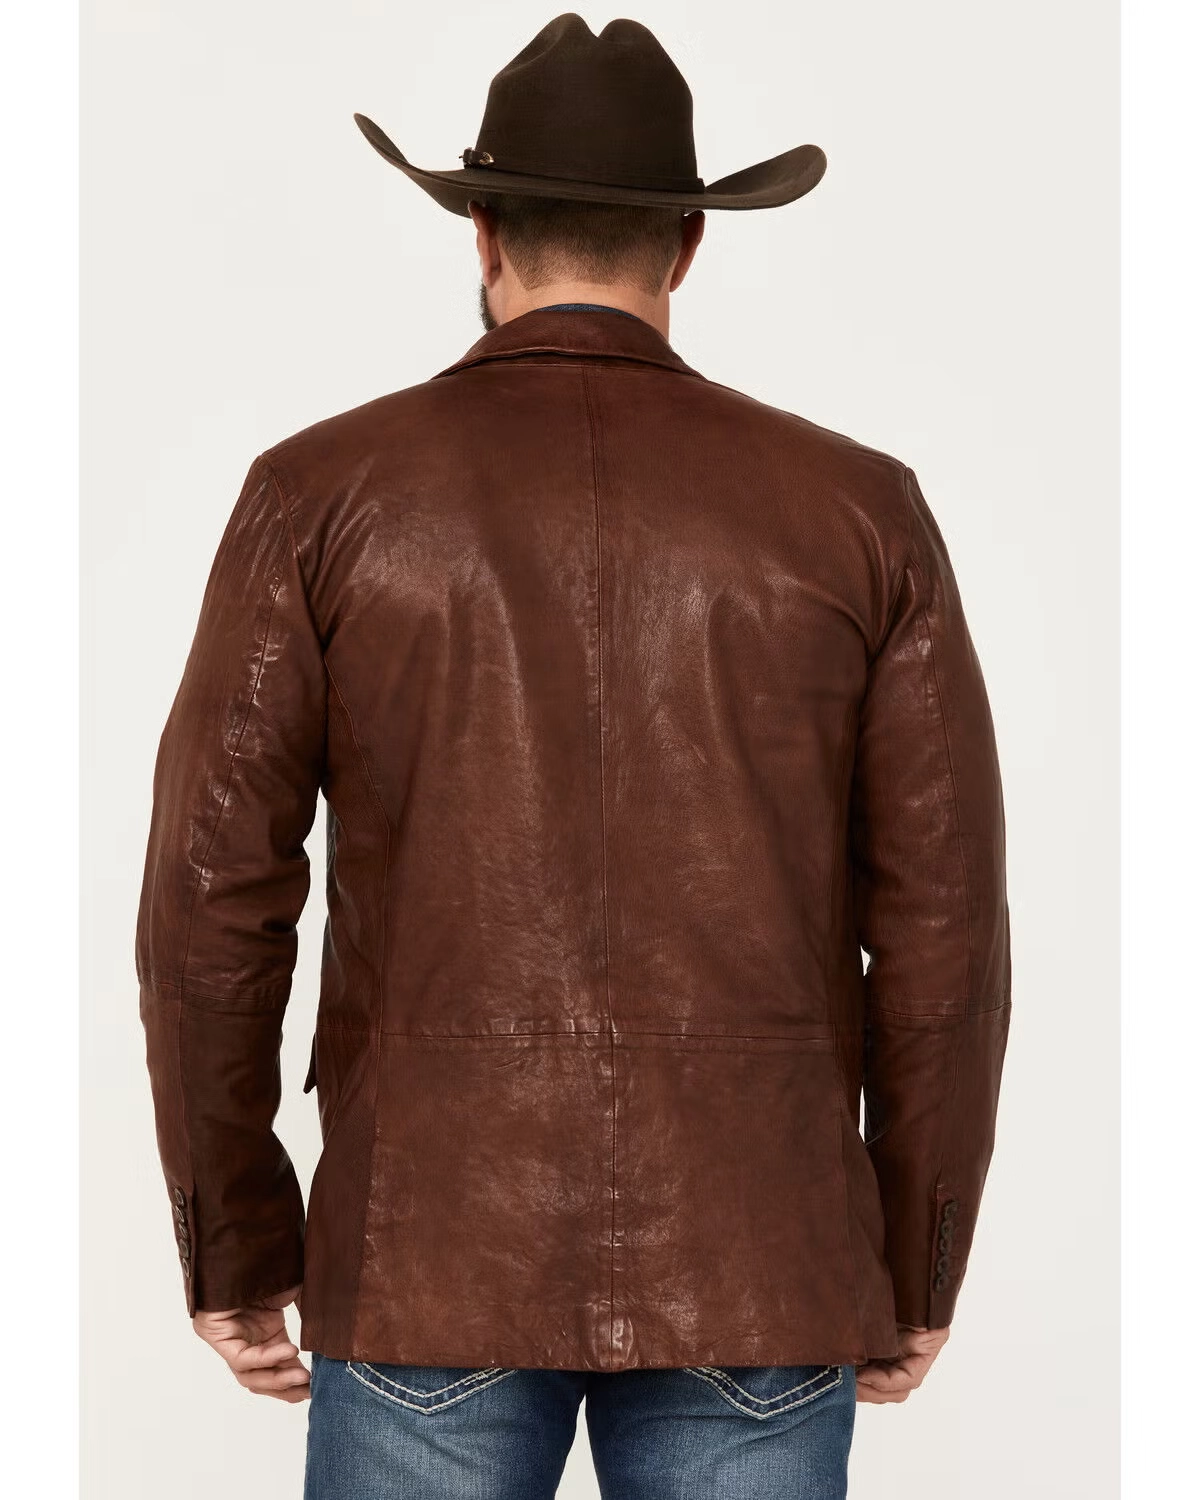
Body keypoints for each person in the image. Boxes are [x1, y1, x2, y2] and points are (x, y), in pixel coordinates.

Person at [135, 13, 1012, 1499]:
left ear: (480, 232)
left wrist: (236, 1236)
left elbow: (208, 903)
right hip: (761, 1250)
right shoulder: (861, 510)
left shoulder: (319, 494)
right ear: (688, 245)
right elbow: (946, 929)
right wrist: (913, 1251)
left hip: (426, 1247)